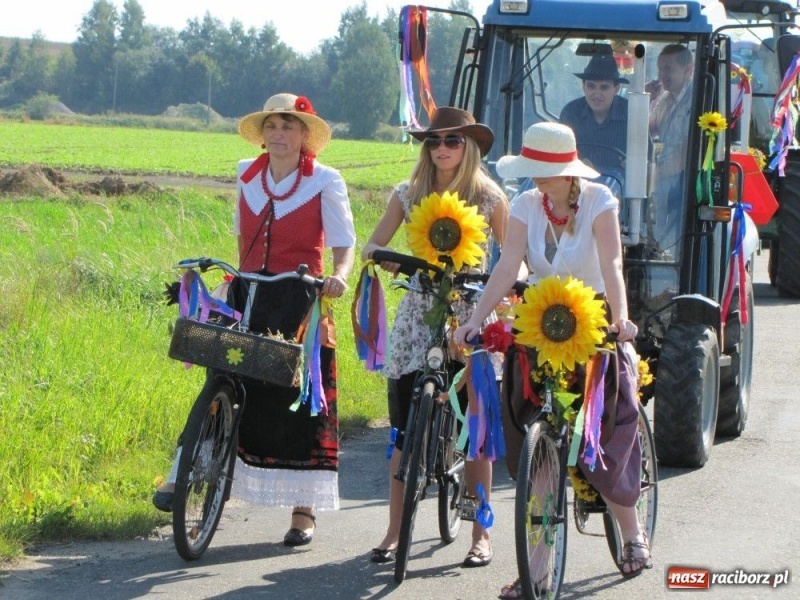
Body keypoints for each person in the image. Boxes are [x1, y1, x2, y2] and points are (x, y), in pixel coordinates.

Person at [452, 121, 650, 597]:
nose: (537, 179)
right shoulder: (524, 204)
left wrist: (620, 319)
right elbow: (507, 264)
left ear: (569, 172)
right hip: (540, 319)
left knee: (605, 427)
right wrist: (476, 319)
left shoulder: (600, 200)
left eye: (546, 171)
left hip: (593, 318)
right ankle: (534, 566)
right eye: (532, 170)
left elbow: (611, 264)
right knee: (528, 425)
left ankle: (632, 532)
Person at [152, 92, 356, 547]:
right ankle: (182, 471)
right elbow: (242, 236)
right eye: (272, 126)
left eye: (289, 126)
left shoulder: (325, 180)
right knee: (219, 376)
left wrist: (337, 278)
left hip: (298, 295)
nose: (279, 134)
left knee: (300, 400)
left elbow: (344, 246)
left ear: (305, 136)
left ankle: (304, 510)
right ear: (262, 135)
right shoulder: (247, 174)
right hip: (248, 292)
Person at [361, 107, 510, 567]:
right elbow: (372, 243)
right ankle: (393, 532)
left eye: (453, 140)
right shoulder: (408, 194)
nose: (442, 148)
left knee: (476, 435)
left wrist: (506, 292)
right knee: (404, 432)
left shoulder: (489, 198)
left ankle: (479, 535)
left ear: (470, 147)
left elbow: (514, 257)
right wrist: (383, 257)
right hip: (418, 316)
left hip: (471, 315)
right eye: (434, 141)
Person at [646, 44, 695, 255]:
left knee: (669, 247)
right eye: (659, 69)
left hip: (682, 186)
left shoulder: (695, 99)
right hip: (663, 178)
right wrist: (645, 99)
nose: (661, 75)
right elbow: (648, 128)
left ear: (688, 70)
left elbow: (686, 153)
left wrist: (652, 178)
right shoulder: (666, 99)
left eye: (668, 69)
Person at [559, 53, 629, 173]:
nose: (597, 94)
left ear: (616, 89)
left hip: (621, 188)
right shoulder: (570, 112)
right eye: (591, 86)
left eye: (604, 87)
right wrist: (577, 163)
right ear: (583, 86)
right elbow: (557, 154)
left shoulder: (631, 113)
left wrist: (632, 165)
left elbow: (647, 160)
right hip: (577, 185)